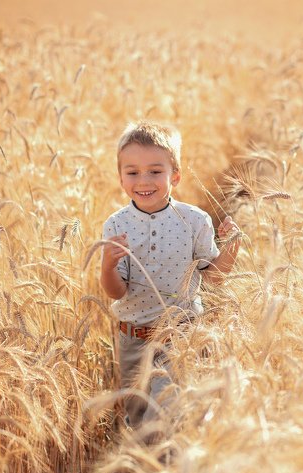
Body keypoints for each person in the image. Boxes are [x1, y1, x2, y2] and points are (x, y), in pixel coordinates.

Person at [100, 121, 240, 431]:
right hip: (133, 337)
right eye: (133, 172)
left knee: (166, 414)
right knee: (138, 419)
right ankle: (147, 458)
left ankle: (168, 456)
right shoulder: (116, 225)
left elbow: (213, 278)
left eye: (155, 171)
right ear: (120, 177)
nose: (143, 180)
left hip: (180, 334)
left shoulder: (194, 221)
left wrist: (231, 247)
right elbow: (116, 292)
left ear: (174, 175)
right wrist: (107, 266)